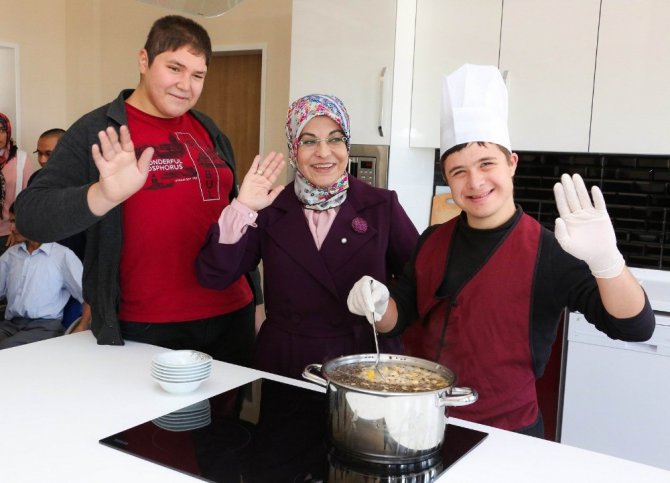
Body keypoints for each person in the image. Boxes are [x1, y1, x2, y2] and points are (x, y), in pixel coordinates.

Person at [346, 64, 656, 438]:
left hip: (507, 434)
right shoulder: (432, 240)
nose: (474, 181)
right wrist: (377, 305)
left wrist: (608, 262)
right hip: (422, 425)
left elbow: (635, 327)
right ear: (447, 178)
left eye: (486, 163)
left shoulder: (551, 251)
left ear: (512, 163)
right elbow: (399, 316)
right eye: (458, 171)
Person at [15, 15, 262, 367]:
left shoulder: (209, 130)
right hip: (146, 328)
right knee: (154, 425)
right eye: (174, 68)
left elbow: (234, 218)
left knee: (228, 422)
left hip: (231, 315)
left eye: (198, 75)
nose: (185, 85)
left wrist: (257, 302)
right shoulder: (97, 131)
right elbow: (31, 215)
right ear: (144, 61)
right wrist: (103, 194)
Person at [196, 94, 419, 379]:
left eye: (335, 139)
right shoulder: (271, 207)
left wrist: (385, 306)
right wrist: (242, 207)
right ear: (293, 149)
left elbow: (419, 282)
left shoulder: (381, 206)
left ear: (347, 144)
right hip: (287, 363)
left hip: (364, 364)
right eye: (309, 141)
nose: (324, 153)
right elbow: (214, 275)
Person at [0, 204, 88, 349]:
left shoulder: (62, 255)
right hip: (10, 325)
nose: (12, 228)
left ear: (35, 221)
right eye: (11, 222)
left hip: (44, 328)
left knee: (5, 352)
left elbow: (89, 295)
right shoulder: (11, 255)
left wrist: (82, 326)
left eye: (16, 222)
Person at [0, 113, 35, 255]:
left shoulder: (21, 159)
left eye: (2, 130)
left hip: (10, 233)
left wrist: (19, 230)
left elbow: (28, 198)